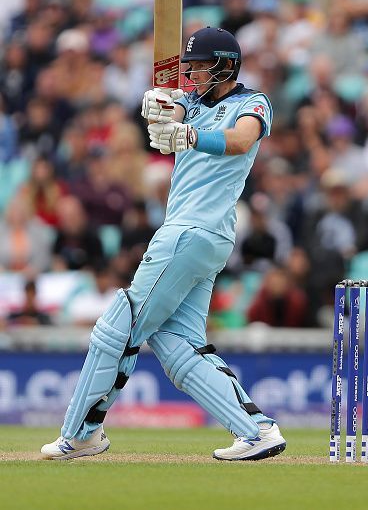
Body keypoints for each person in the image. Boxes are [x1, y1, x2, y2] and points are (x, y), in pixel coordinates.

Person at [41, 26, 286, 461]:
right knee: (178, 345)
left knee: (119, 328)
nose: (191, 75)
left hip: (193, 231)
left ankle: (82, 433)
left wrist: (189, 136)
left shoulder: (252, 102)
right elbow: (167, 115)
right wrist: (156, 108)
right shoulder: (190, 102)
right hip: (198, 236)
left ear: (226, 66)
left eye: (200, 67)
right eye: (187, 68)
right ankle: (257, 431)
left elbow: (241, 140)